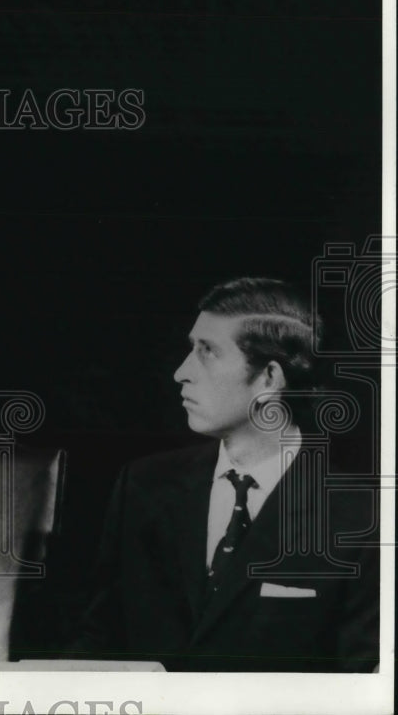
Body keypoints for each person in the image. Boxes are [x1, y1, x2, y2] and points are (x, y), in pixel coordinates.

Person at [65, 277, 379, 672]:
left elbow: (360, 689)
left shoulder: (363, 519)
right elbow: (96, 644)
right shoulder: (143, 486)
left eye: (207, 351)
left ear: (269, 378)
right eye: (190, 349)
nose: (181, 372)